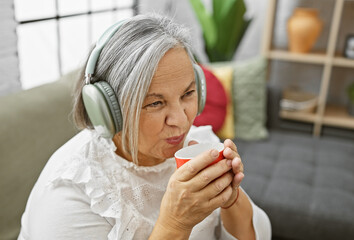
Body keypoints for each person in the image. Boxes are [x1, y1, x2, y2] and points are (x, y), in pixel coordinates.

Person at [18, 14, 271, 240]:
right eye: (156, 103)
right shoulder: (69, 196)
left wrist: (231, 198)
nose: (182, 121)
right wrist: (174, 224)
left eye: (188, 94)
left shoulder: (198, 140)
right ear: (107, 110)